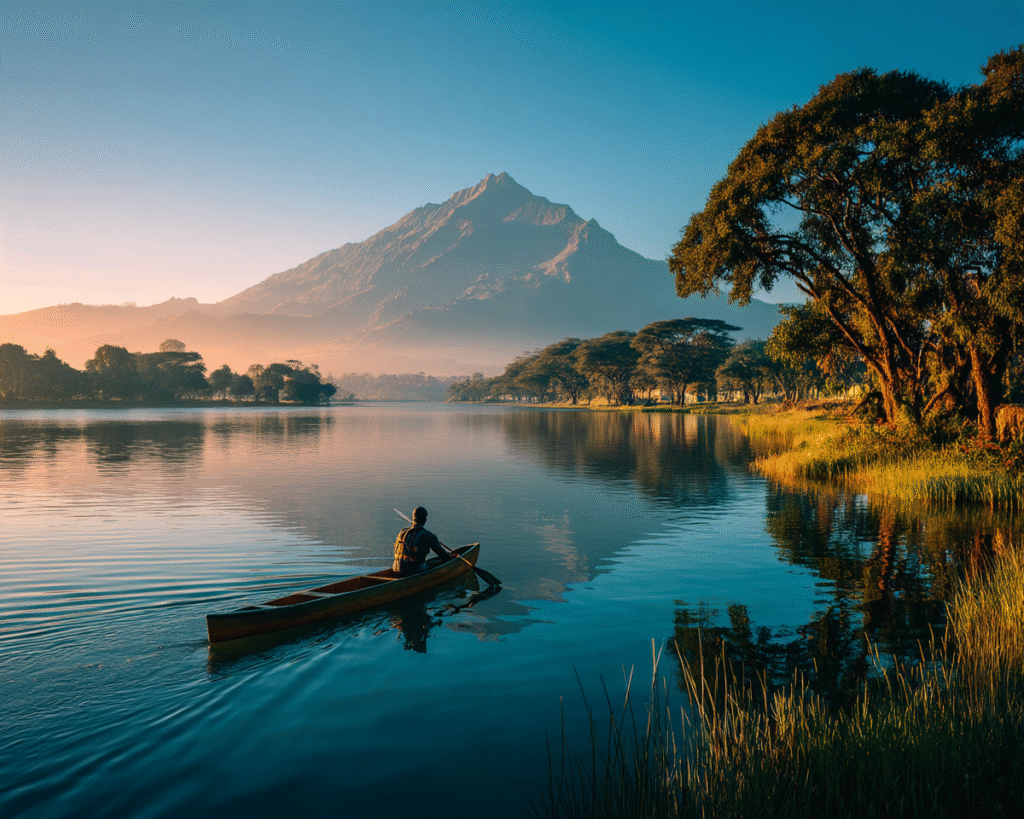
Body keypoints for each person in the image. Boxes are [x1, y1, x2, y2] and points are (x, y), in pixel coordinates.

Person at [392, 506, 450, 575]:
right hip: (413, 570)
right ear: (425, 519)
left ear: (413, 518)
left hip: (396, 568)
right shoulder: (427, 535)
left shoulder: (402, 531)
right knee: (434, 565)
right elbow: (444, 556)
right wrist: (434, 540)